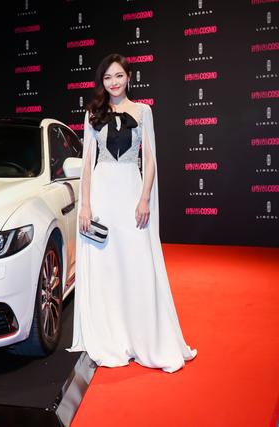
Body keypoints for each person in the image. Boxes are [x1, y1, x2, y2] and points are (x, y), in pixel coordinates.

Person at [66, 53, 197, 373]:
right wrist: (86, 204)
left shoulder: (143, 111)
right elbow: (87, 162)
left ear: (129, 77)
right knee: (107, 265)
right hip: (102, 192)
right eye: (108, 77)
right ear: (102, 81)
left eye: (119, 76)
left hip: (130, 191)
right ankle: (112, 333)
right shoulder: (92, 113)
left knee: (137, 263)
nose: (114, 82)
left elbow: (149, 159)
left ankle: (144, 337)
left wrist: (144, 199)